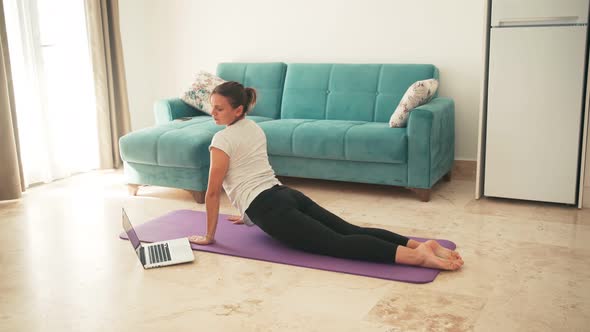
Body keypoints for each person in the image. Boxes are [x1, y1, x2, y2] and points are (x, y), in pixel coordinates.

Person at [188, 81, 463, 270]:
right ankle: (418, 245)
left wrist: (209, 236)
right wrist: (247, 212)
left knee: (337, 243)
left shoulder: (221, 140)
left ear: (238, 109)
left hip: (269, 208)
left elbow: (213, 192)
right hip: (285, 195)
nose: (212, 113)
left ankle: (418, 257)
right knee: (351, 231)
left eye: (219, 108)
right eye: (212, 106)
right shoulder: (253, 127)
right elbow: (252, 173)